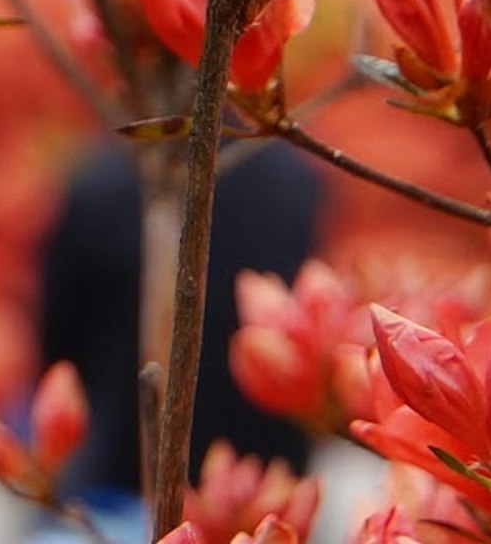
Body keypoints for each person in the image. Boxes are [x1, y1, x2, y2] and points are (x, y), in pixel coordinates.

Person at [29, 140, 322, 532]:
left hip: (121, 476)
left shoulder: (101, 182)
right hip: (269, 482)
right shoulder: (293, 177)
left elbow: (60, 345)